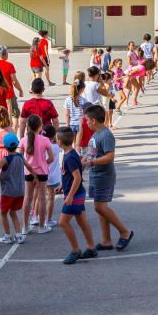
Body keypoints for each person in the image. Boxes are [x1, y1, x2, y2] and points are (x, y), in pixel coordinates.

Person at [83, 104, 133, 251]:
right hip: (95, 175)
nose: (85, 122)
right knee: (100, 208)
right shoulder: (96, 134)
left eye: (87, 120)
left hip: (104, 176)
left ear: (93, 120)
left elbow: (110, 156)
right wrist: (82, 161)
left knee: (100, 207)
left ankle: (125, 232)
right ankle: (106, 240)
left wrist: (91, 162)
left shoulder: (106, 135)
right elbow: (91, 151)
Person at [54, 128, 98, 265]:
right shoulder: (69, 153)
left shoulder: (70, 157)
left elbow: (77, 177)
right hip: (76, 193)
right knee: (82, 221)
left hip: (75, 195)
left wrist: (70, 196)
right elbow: (68, 174)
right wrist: (62, 185)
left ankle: (75, 250)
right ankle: (91, 247)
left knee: (63, 222)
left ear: (60, 142)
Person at [0, 133, 32, 244]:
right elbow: (29, 167)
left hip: (8, 192)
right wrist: (36, 177)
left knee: (3, 213)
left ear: (5, 146)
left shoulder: (5, 159)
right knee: (13, 212)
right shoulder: (20, 156)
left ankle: (7, 236)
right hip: (19, 191)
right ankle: (19, 235)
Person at [19, 114, 55, 235]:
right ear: (40, 127)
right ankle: (41, 226)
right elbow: (51, 157)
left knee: (28, 198)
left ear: (28, 126)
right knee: (42, 198)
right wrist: (44, 163)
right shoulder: (45, 140)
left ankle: (25, 226)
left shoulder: (23, 140)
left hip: (29, 172)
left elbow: (21, 157)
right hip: (42, 172)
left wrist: (29, 165)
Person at [0, 46, 24, 128]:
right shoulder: (9, 65)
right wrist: (20, 90)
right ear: (5, 54)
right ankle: (13, 136)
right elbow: (14, 81)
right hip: (9, 94)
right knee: (14, 114)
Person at [43, 123, 61, 228]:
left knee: (39, 197)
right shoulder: (55, 147)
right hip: (53, 176)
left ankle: (35, 216)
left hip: (42, 174)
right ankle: (48, 219)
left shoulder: (41, 145)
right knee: (50, 198)